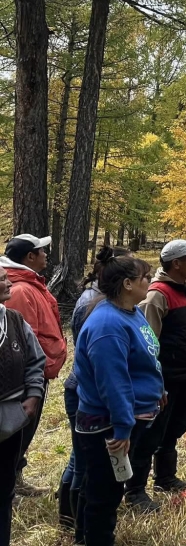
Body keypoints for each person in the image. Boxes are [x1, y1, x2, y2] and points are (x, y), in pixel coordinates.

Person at [73, 256, 162, 546]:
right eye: (144, 277)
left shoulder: (131, 312)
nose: (149, 281)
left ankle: (86, 537)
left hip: (127, 417)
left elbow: (144, 359)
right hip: (108, 424)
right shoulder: (107, 325)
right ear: (127, 284)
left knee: (103, 487)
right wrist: (122, 428)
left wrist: (157, 388)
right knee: (104, 493)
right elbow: (114, 383)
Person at [126, 239, 186, 513]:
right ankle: (135, 490)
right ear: (176, 263)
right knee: (149, 435)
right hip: (163, 380)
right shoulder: (157, 295)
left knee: (175, 427)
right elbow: (148, 345)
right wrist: (155, 383)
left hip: (185, 374)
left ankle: (165, 476)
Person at [58, 245, 129, 531]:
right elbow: (101, 362)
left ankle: (73, 520)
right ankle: (74, 522)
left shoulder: (103, 300)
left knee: (82, 459)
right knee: (84, 463)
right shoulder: (98, 306)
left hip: (88, 391)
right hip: (86, 393)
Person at [1, 233, 67, 497]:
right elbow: (23, 342)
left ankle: (14, 478)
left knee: (24, 432)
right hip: (26, 383)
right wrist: (32, 384)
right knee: (16, 430)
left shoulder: (30, 284)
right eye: (42, 251)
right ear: (30, 256)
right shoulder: (20, 289)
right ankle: (10, 481)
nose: (46, 255)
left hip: (39, 375)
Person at [0, 264, 46, 546]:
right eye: (3, 280)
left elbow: (35, 361)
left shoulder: (15, 321)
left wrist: (31, 397)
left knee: (3, 490)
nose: (9, 283)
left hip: (10, 421)